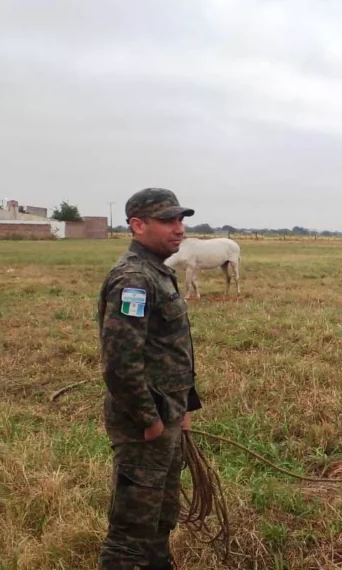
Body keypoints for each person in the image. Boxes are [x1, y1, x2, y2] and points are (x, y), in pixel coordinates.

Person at [97, 188, 202, 570]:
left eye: (180, 220)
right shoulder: (134, 280)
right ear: (138, 226)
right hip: (145, 424)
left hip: (167, 415)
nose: (179, 229)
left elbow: (171, 353)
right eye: (168, 221)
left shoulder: (159, 273)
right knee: (130, 534)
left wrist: (184, 407)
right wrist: (150, 420)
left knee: (160, 518)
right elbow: (120, 363)